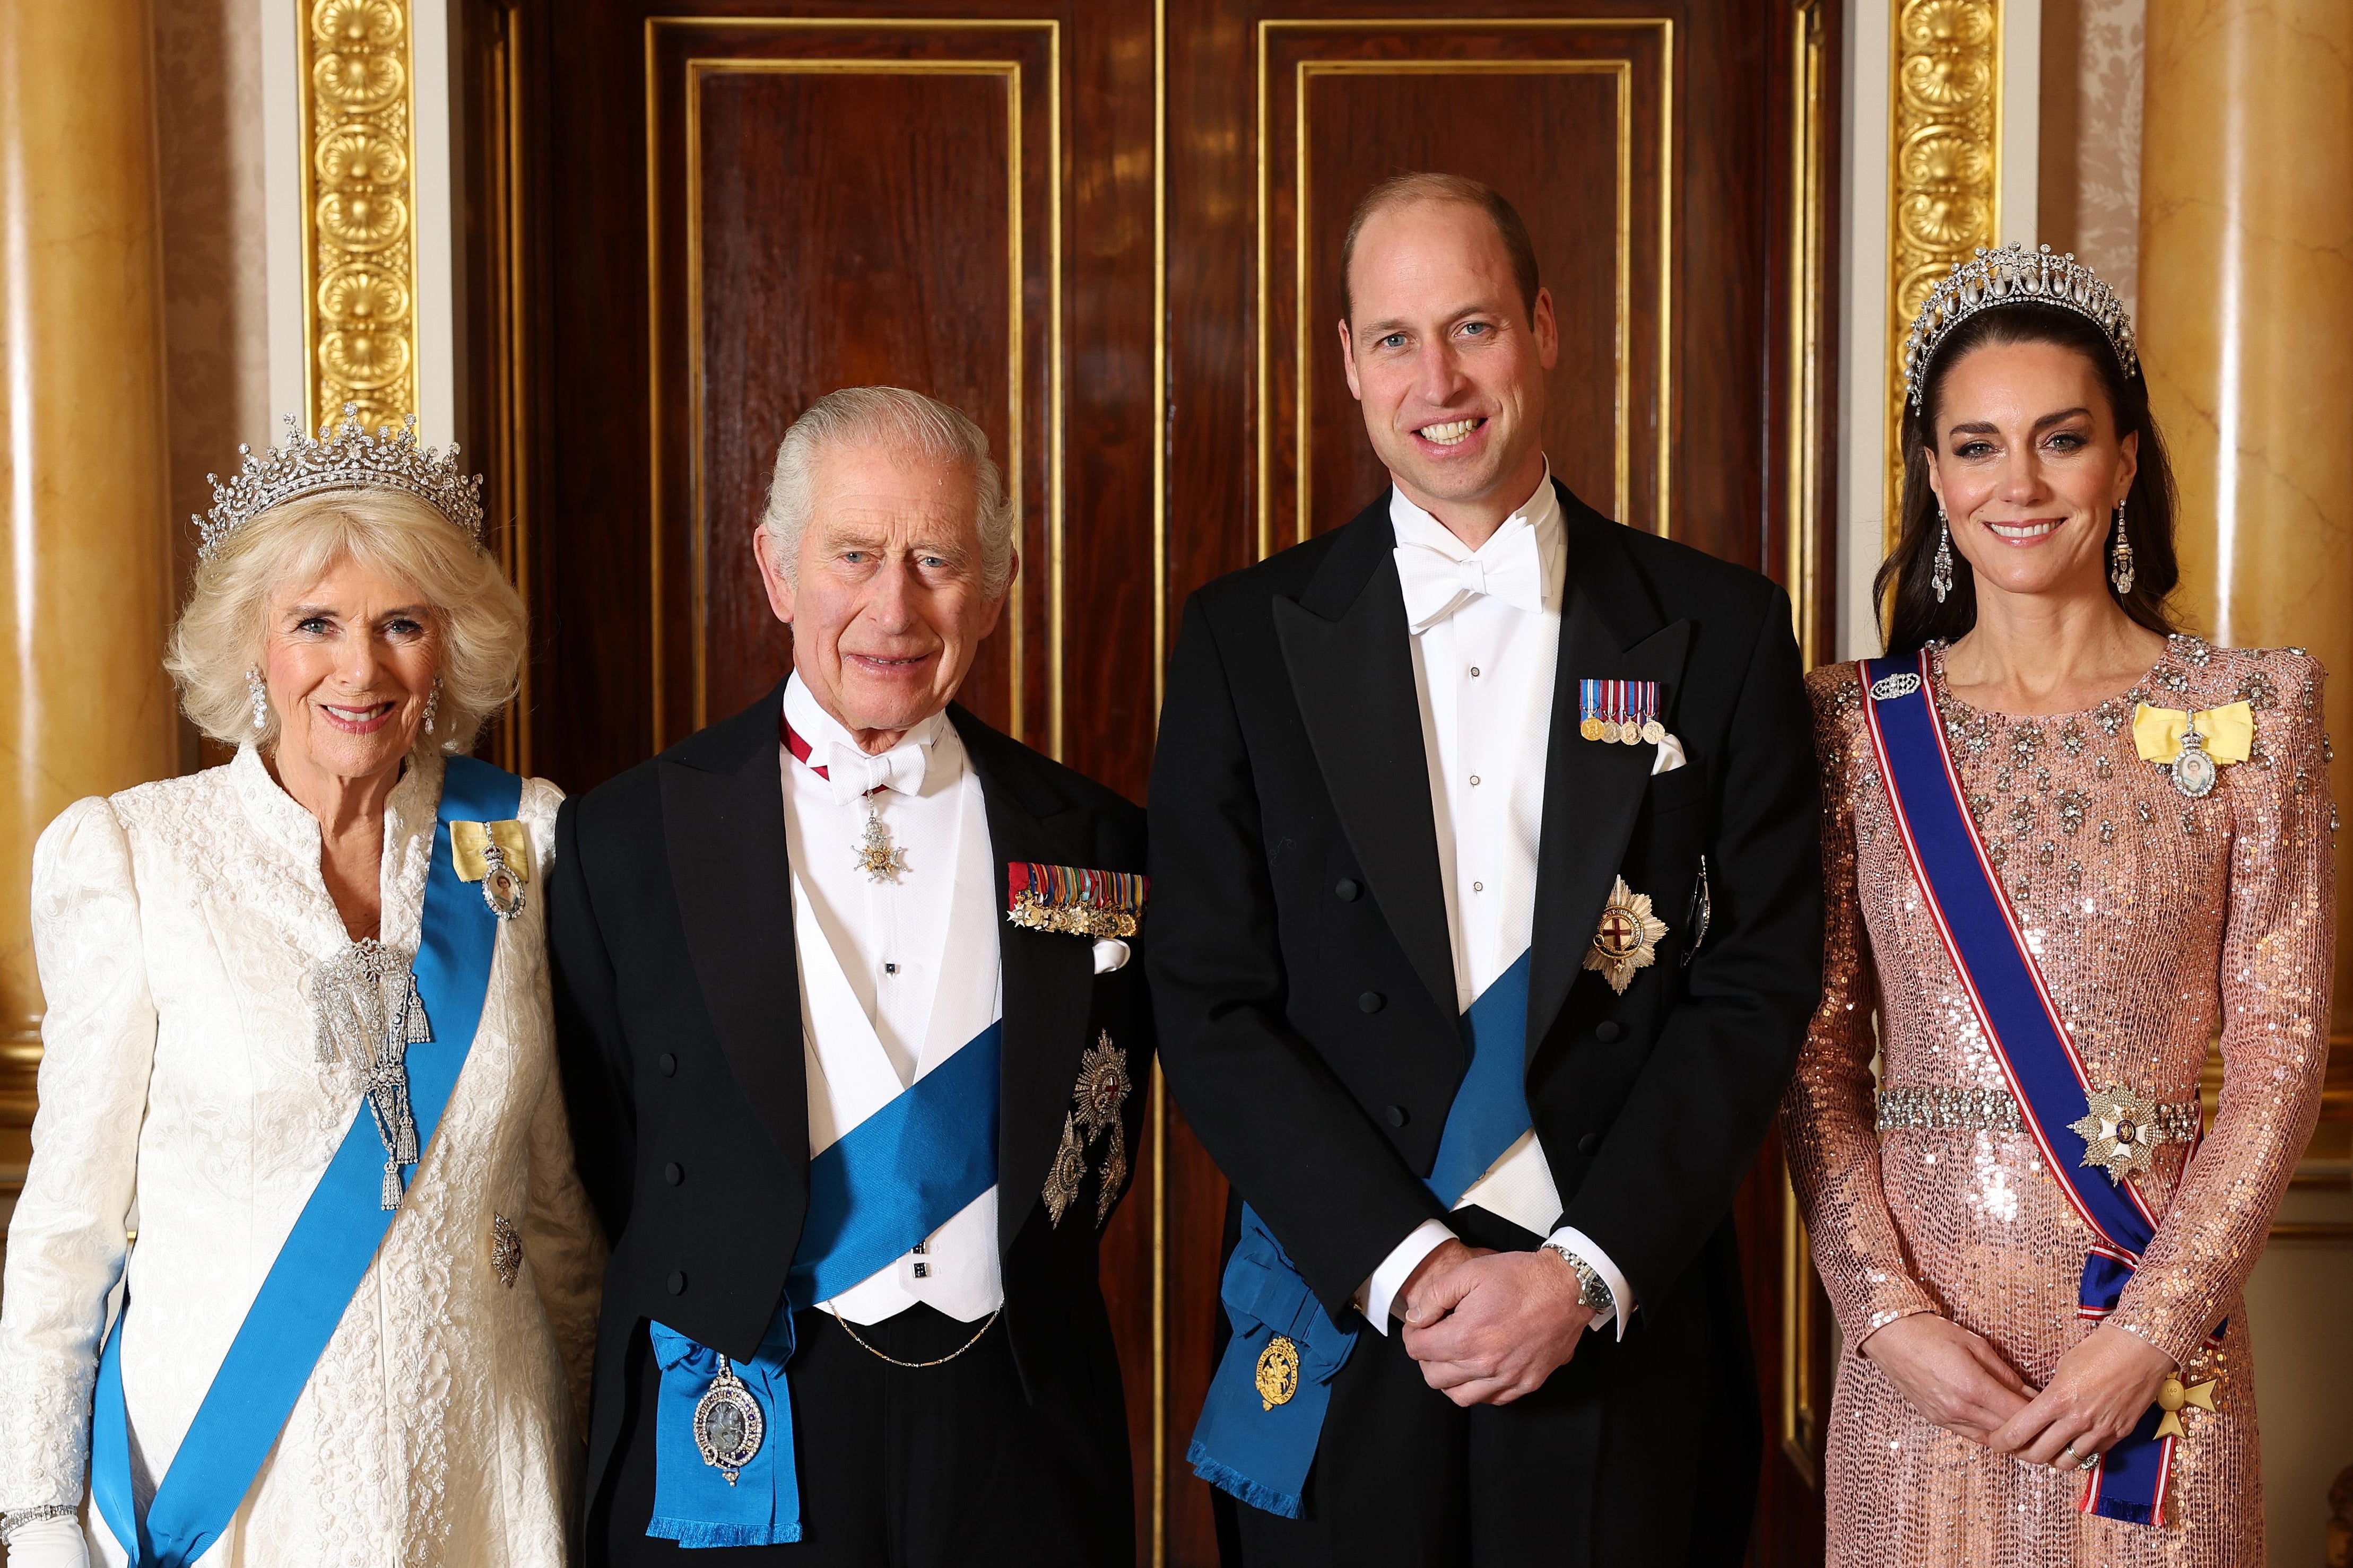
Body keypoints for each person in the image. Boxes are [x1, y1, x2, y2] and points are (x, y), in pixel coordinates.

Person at [1150, 173, 1824, 1565]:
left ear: (1545, 327)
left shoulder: (1718, 627)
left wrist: (1579, 1272)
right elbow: (1207, 997)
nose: (1437, 378)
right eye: (1393, 338)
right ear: (1346, 361)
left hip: (1617, 1321)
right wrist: (1411, 1268)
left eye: (1473, 327)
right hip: (1343, 1316)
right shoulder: (1239, 639)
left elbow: (1754, 985)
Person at [1784, 244, 2333, 1563]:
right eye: (1976, 445)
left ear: (2126, 458)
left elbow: (2278, 1048)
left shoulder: (2253, 709)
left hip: (2152, 1360)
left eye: (2061, 439)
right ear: (1931, 475)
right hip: (1922, 1371)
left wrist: (2154, 1326)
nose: (2016, 484)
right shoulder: (1851, 727)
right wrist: (1884, 1313)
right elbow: (1812, 1057)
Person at [550, 386, 1150, 1566]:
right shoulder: (627, 840)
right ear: (776, 570)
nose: (895, 606)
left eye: (935, 558)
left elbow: (1097, 1131)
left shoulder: (1097, 840)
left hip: (1018, 1432)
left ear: (997, 581)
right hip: (744, 1406)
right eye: (855, 555)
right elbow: (609, 1151)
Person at [0, 409, 605, 1566]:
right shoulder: (136, 858)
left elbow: (556, 1200)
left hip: (488, 1473)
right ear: (253, 645)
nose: (360, 669)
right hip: (230, 1487)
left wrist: (602, 1460)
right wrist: (35, 1517)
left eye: (402, 625)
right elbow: (67, 1231)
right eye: (315, 623)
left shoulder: (521, 839)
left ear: (449, 646)